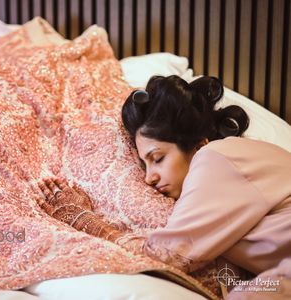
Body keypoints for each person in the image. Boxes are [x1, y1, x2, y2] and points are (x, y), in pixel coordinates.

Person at [35, 75, 291, 296]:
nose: (149, 177)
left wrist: (82, 219)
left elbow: (167, 256)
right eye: (144, 165)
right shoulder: (223, 199)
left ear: (199, 145)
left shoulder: (215, 156)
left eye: (157, 159)